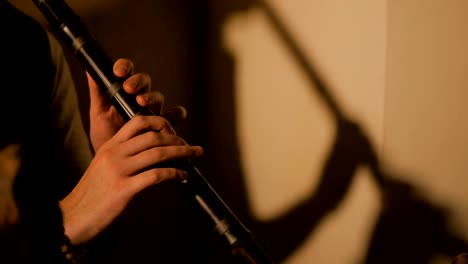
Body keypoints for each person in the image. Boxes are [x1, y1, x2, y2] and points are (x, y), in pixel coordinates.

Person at [0, 1, 202, 263]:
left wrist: (111, 162)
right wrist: (63, 222)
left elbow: (88, 247)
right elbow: (67, 226)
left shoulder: (31, 43)